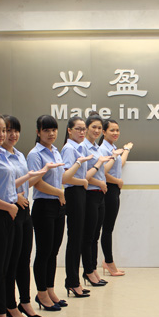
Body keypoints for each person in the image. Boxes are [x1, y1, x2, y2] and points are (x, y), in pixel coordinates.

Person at [0, 113, 48, 317]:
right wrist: (9, 204)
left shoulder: (4, 154)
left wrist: (31, 176)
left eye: (5, 130)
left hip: (11, 213)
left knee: (6, 268)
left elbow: (8, 184)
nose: (4, 135)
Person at [4, 115, 63, 317]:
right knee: (37, 254)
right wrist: (15, 195)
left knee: (41, 254)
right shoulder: (33, 154)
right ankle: (33, 296)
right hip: (33, 206)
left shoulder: (24, 154)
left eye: (54, 129)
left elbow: (28, 180)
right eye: (46, 130)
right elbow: (35, 183)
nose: (51, 133)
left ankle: (36, 296)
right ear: (38, 132)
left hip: (34, 207)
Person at [61, 116, 94, 297]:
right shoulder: (69, 148)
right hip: (73, 193)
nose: (82, 132)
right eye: (78, 129)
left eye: (83, 129)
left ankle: (75, 281)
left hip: (80, 192)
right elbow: (66, 177)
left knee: (79, 238)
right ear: (69, 130)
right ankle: (72, 281)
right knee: (74, 239)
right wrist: (82, 181)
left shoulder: (80, 147)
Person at [81, 113, 113, 286]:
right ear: (86, 128)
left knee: (95, 236)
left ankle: (93, 269)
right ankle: (88, 270)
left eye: (99, 128)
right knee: (88, 236)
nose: (97, 130)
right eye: (93, 127)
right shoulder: (83, 147)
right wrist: (99, 182)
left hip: (100, 195)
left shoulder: (96, 148)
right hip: (90, 194)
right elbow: (83, 175)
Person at [98, 119, 132, 276]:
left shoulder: (112, 148)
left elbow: (120, 163)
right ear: (104, 132)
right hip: (108, 189)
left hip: (113, 190)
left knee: (108, 228)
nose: (115, 133)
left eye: (117, 130)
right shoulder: (103, 149)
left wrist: (126, 150)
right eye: (112, 130)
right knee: (107, 229)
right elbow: (102, 172)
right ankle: (109, 263)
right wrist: (117, 181)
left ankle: (108, 261)